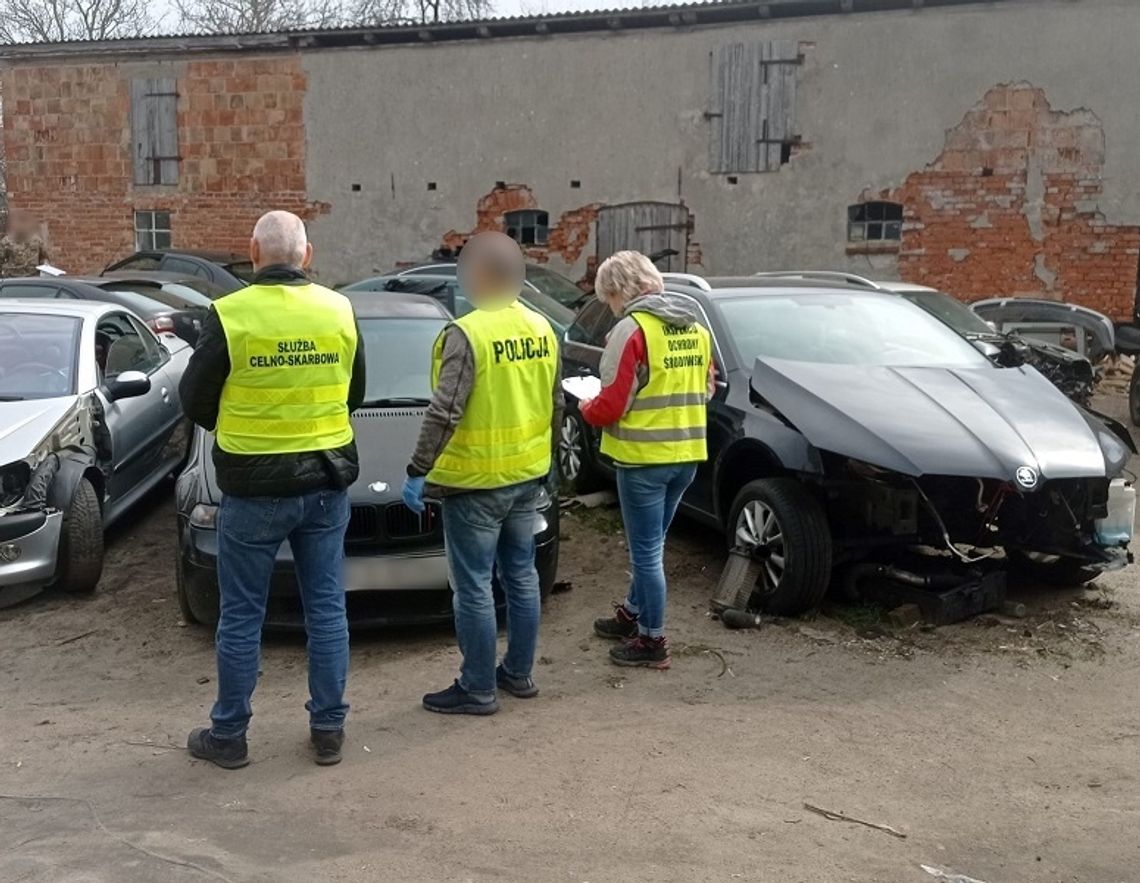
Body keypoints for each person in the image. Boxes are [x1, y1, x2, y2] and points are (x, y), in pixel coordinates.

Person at [180, 210, 366, 769]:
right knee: (327, 609)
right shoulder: (339, 309)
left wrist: (244, 423)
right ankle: (329, 729)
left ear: (253, 253)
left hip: (254, 487)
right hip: (326, 482)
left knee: (241, 615)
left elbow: (195, 400)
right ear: (307, 256)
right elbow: (354, 392)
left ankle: (230, 736)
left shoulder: (230, 315)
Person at [403, 231, 562, 715]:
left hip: (474, 486)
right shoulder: (542, 329)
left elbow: (444, 411)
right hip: (526, 477)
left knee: (471, 584)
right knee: (521, 576)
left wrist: (417, 470)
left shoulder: (467, 333)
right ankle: (518, 674)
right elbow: (555, 404)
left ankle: (477, 687)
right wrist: (550, 466)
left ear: (475, 275)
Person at [582, 251, 713, 670]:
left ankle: (652, 640)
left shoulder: (631, 330)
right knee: (652, 546)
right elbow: (708, 389)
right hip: (687, 456)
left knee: (646, 555)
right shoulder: (695, 327)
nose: (610, 308)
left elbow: (611, 406)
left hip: (642, 461)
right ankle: (632, 614)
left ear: (622, 290)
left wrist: (586, 404)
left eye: (609, 299)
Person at [0, 208, 51, 278]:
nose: (21, 226)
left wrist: (45, 264)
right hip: (12, 279)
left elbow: (44, 257)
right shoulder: (6, 242)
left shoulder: (36, 241)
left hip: (32, 279)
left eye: (23, 223)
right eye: (18, 223)